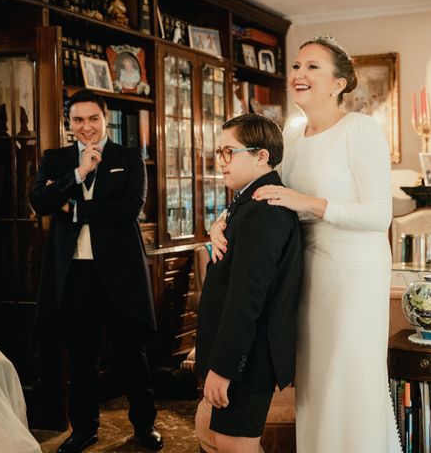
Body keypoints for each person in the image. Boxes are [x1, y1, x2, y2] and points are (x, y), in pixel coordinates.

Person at [210, 36, 401, 452]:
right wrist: (222, 221)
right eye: (296, 66)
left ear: (338, 83)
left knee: (345, 379)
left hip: (352, 273)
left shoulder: (360, 129)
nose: (299, 74)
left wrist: (307, 202)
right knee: (313, 383)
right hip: (303, 271)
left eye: (312, 67)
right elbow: (264, 191)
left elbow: (378, 215)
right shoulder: (292, 136)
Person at [30, 89, 163, 453]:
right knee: (81, 355)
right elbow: (40, 202)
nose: (86, 127)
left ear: (105, 118)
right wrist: (79, 172)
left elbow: (129, 207)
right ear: (68, 123)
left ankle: (145, 425)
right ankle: (84, 429)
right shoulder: (55, 159)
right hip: (73, 273)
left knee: (130, 352)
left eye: (93, 119)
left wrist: (73, 210)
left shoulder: (128, 156)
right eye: (77, 120)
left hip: (120, 272)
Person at [196, 113, 302, 453]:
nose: (222, 161)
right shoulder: (248, 200)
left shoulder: (265, 208)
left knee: (232, 444)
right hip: (236, 349)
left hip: (249, 355)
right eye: (219, 152)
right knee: (209, 435)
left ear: (261, 156)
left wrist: (224, 368)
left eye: (230, 152)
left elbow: (248, 297)